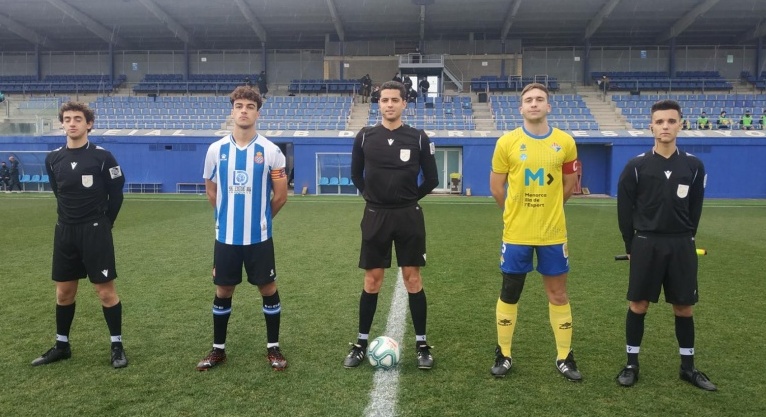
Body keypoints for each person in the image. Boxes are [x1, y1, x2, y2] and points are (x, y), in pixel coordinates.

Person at [615, 99, 715, 391]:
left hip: (682, 244)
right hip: (646, 243)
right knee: (639, 304)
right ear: (651, 127)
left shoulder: (694, 166)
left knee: (684, 307)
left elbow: (695, 208)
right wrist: (631, 245)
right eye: (660, 122)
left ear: (680, 125)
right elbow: (625, 211)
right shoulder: (636, 167)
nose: (665, 126)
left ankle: (688, 367)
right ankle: (632, 364)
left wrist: (687, 237)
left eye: (671, 121)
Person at [488, 82, 582, 381]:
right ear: (521, 107)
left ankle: (564, 357)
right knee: (510, 293)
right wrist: (514, 213)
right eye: (528, 100)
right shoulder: (507, 142)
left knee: (558, 293)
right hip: (516, 234)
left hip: (553, 233)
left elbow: (569, 186)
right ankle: (503, 353)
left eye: (540, 99)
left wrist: (551, 208)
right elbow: (496, 186)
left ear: (548, 106)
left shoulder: (565, 142)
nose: (534, 104)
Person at [343, 80, 439, 370]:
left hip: (409, 216)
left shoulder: (419, 137)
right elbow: (356, 175)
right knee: (372, 280)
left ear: (404, 103)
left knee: (412, 279)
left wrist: (409, 199)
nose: (389, 105)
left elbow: (432, 179)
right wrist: (374, 198)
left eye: (395, 100)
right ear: (379, 103)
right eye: (384, 100)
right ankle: (361, 343)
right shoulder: (364, 136)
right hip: (375, 216)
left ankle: (422, 345)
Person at [197, 86, 288, 372]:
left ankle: (273, 348)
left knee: (268, 287)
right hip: (225, 236)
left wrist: (262, 219)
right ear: (232, 111)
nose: (244, 110)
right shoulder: (216, 150)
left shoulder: (271, 151)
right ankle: (218, 350)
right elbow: (211, 191)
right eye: (239, 105)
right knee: (223, 289)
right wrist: (225, 217)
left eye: (250, 106)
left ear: (257, 112)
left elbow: (281, 195)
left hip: (259, 236)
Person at [31, 101, 127, 369]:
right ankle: (62, 345)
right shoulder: (53, 159)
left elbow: (116, 192)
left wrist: (106, 223)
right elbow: (57, 191)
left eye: (77, 119)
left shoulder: (103, 156)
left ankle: (116, 346)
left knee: (105, 292)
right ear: (62, 123)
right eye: (67, 119)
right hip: (65, 231)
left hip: (95, 231)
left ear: (89, 124)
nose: (72, 123)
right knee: (64, 292)